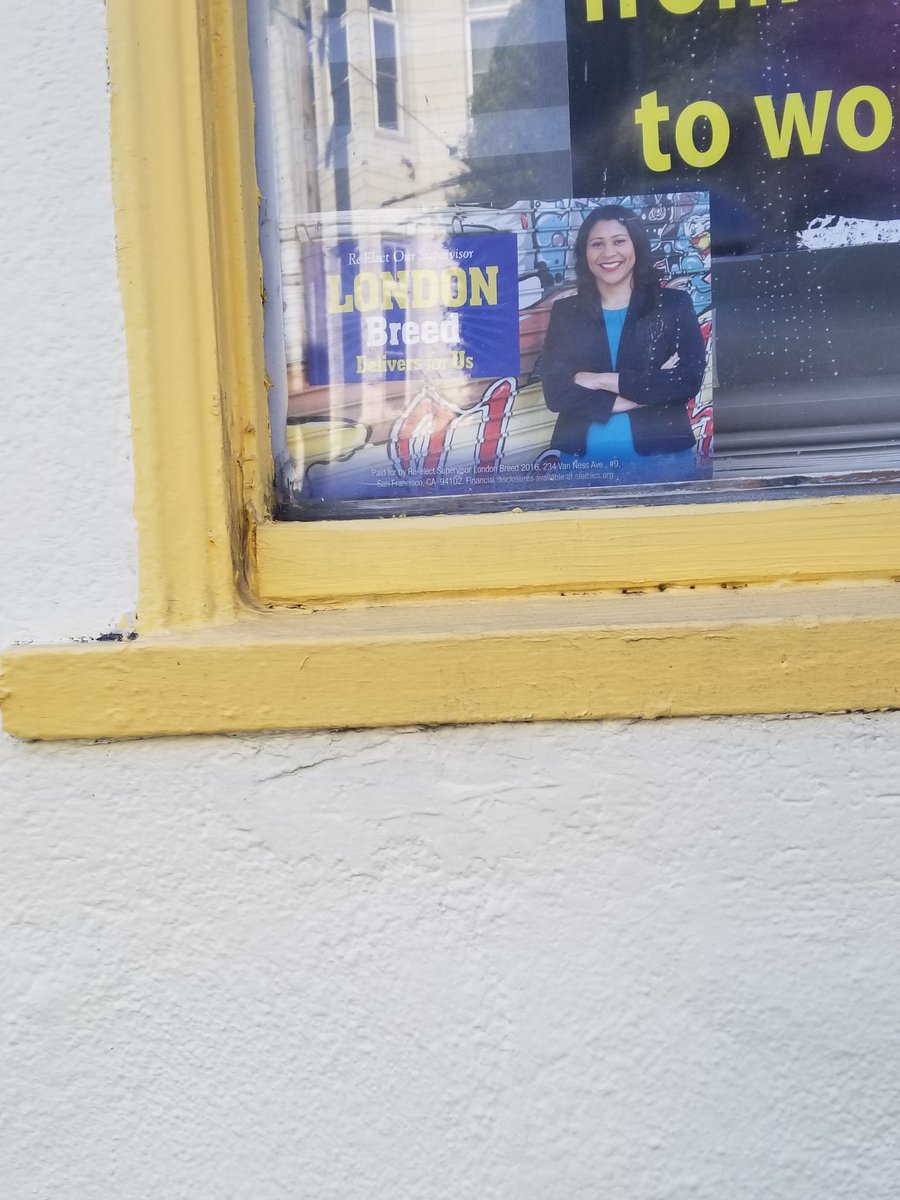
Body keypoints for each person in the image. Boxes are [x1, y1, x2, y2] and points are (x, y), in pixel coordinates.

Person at [540, 204, 707, 484]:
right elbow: (557, 394)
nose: (608, 252)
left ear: (636, 246)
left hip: (663, 463)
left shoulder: (672, 306)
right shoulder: (566, 313)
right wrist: (651, 389)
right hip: (582, 466)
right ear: (585, 253)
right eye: (597, 244)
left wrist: (599, 380)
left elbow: (686, 381)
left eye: (619, 241)